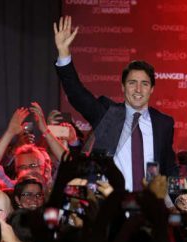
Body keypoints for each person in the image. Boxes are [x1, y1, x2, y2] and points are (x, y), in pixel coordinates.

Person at [53, 16, 177, 192]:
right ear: (122, 87)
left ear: (152, 90)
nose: (138, 89)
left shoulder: (163, 123)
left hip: (149, 208)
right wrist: (64, 53)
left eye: (145, 84)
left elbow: (168, 167)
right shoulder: (108, 114)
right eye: (132, 83)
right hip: (111, 206)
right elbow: (77, 94)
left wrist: (177, 200)